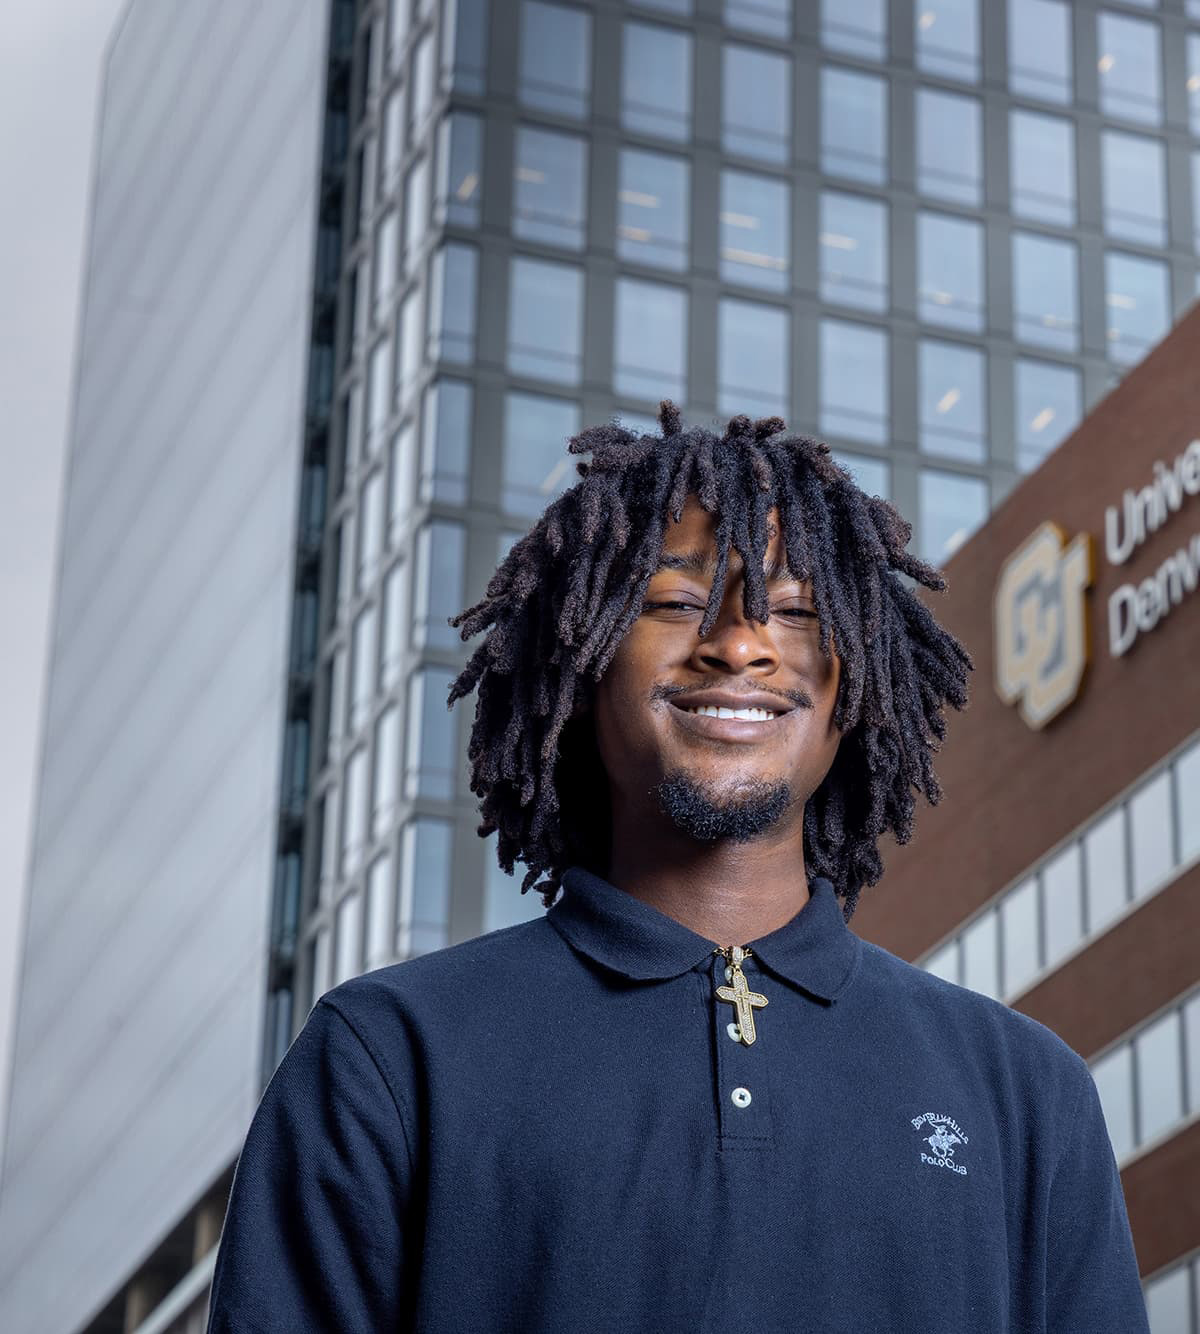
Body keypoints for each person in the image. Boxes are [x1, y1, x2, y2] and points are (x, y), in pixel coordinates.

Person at [204, 405, 1149, 1332]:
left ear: (857, 684)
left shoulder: (1025, 1092)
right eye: (675, 602)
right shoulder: (390, 1055)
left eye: (795, 610)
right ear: (583, 656)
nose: (740, 642)